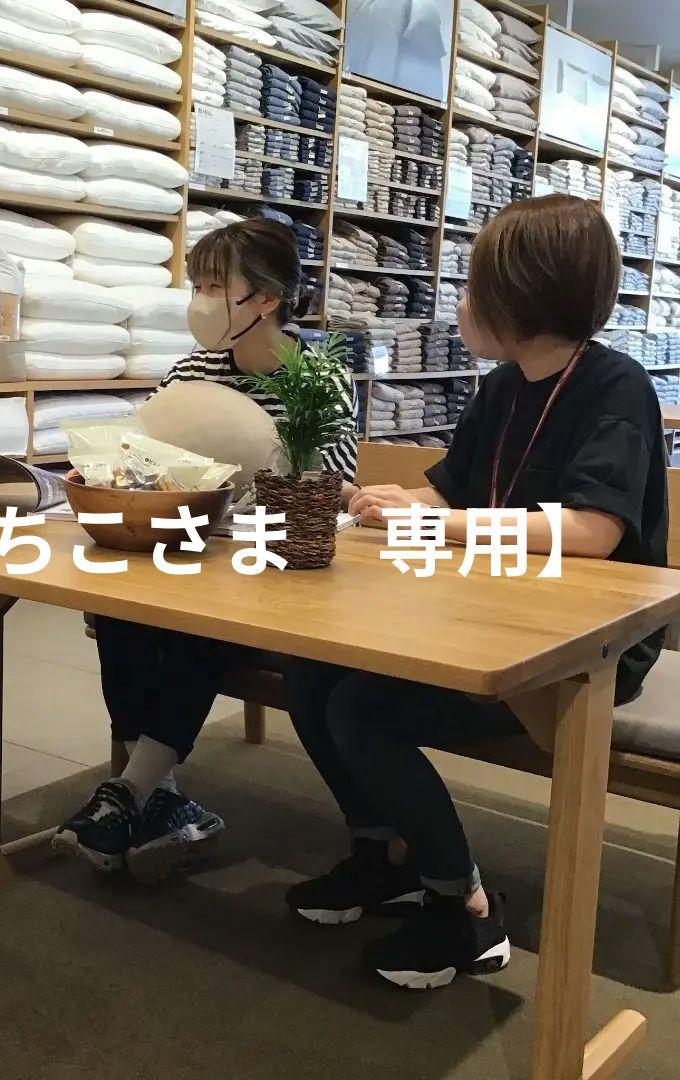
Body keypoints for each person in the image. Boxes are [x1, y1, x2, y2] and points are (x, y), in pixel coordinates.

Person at [283, 195, 667, 989]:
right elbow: (454, 491)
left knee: (363, 709)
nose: (461, 302)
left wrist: (436, 522)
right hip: (487, 615)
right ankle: (385, 854)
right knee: (311, 672)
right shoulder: (504, 386)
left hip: (583, 647)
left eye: (474, 285)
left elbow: (592, 529)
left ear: (525, 296)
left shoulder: (616, 387)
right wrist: (399, 503)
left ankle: (464, 907)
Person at [54, 218, 359, 881]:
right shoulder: (193, 370)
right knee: (119, 605)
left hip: (272, 570)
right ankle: (157, 795)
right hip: (189, 549)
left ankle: (127, 791)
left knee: (202, 621)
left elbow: (332, 493)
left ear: (266, 298)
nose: (199, 301)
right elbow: (147, 455)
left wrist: (259, 483)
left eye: (215, 287)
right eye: (197, 285)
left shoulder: (318, 380)